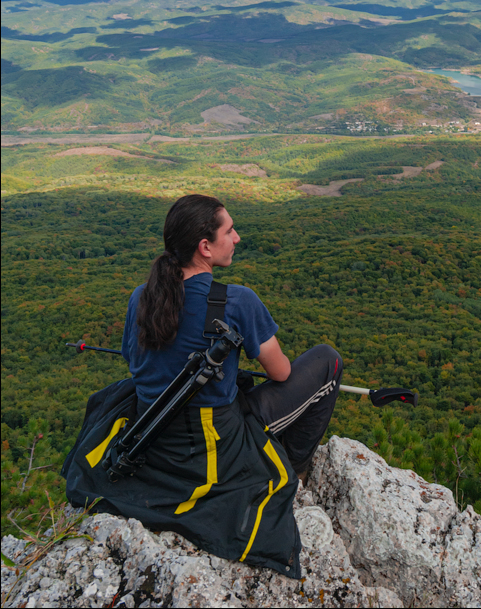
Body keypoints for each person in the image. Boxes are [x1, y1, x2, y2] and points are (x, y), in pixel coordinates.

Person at [62, 194, 343, 577]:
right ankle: (294, 465)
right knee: (328, 360)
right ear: (205, 247)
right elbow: (280, 373)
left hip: (154, 436)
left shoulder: (141, 298)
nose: (237, 238)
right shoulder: (237, 301)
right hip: (216, 442)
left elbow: (134, 362)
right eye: (230, 230)